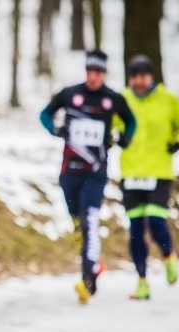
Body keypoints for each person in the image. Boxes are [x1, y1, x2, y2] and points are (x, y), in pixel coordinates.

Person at [40, 50, 137, 303]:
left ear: (104, 74)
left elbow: (131, 122)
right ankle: (92, 263)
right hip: (69, 172)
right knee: (78, 225)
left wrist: (126, 137)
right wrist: (54, 128)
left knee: (89, 219)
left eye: (98, 73)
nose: (93, 77)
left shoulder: (112, 99)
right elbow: (45, 114)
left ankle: (88, 278)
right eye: (90, 72)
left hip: (95, 172)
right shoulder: (70, 94)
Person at [116, 55, 179, 300]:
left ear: (151, 77)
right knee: (136, 229)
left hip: (159, 172)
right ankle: (141, 281)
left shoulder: (169, 100)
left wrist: (178, 143)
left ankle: (168, 255)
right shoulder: (123, 100)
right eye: (134, 77)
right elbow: (111, 125)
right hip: (131, 172)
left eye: (143, 76)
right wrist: (117, 136)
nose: (138, 81)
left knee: (156, 222)